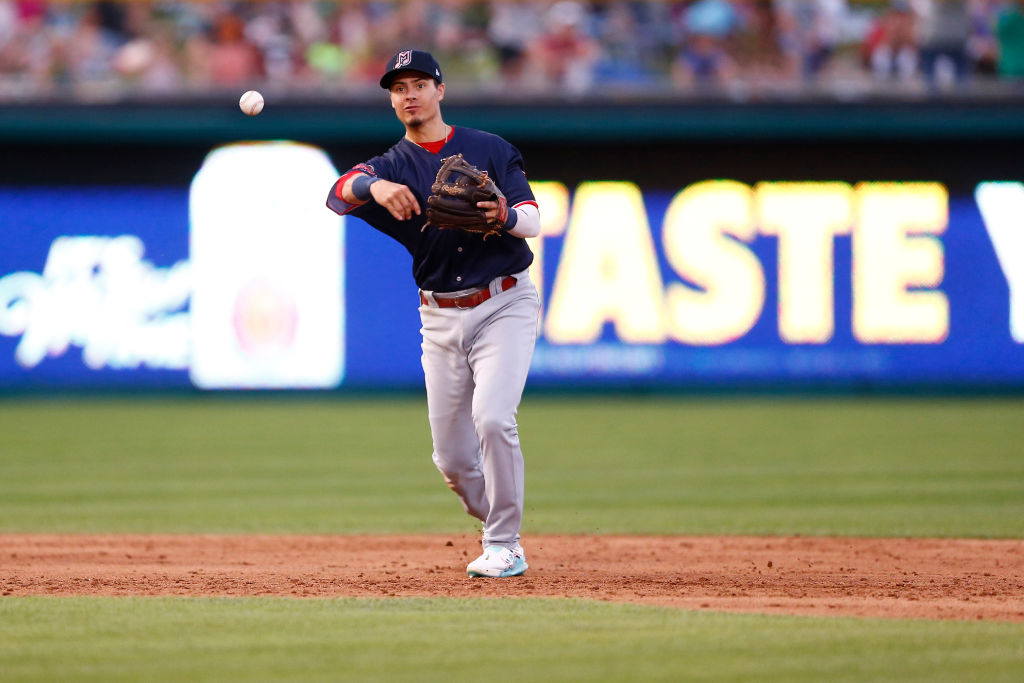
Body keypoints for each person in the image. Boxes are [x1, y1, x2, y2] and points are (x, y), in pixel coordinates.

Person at [325, 49, 541, 578]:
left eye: (420, 84)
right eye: (399, 88)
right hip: (440, 318)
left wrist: (504, 215)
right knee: (452, 461)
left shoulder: (487, 149)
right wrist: (373, 185)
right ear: (392, 100)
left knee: (492, 418)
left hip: (504, 302)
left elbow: (532, 220)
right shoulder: (391, 165)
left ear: (440, 91)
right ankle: (500, 526)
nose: (410, 95)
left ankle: (504, 543)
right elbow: (336, 193)